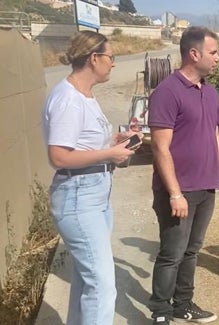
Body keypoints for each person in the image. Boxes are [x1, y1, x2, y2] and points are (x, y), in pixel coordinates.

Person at [41, 30, 141, 325]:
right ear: (94, 58)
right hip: (78, 198)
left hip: (94, 197)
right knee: (102, 287)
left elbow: (83, 143)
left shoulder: (85, 96)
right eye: (111, 57)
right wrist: (109, 155)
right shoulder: (68, 99)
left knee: (87, 283)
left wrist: (115, 141)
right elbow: (58, 156)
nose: (113, 63)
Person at [146, 26, 219, 325]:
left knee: (192, 251)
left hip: (206, 187)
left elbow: (215, 137)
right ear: (194, 54)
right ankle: (160, 311)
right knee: (172, 253)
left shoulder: (210, 92)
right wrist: (174, 193)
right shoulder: (166, 92)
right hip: (178, 191)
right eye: (213, 52)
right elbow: (160, 149)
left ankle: (183, 304)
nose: (218, 58)